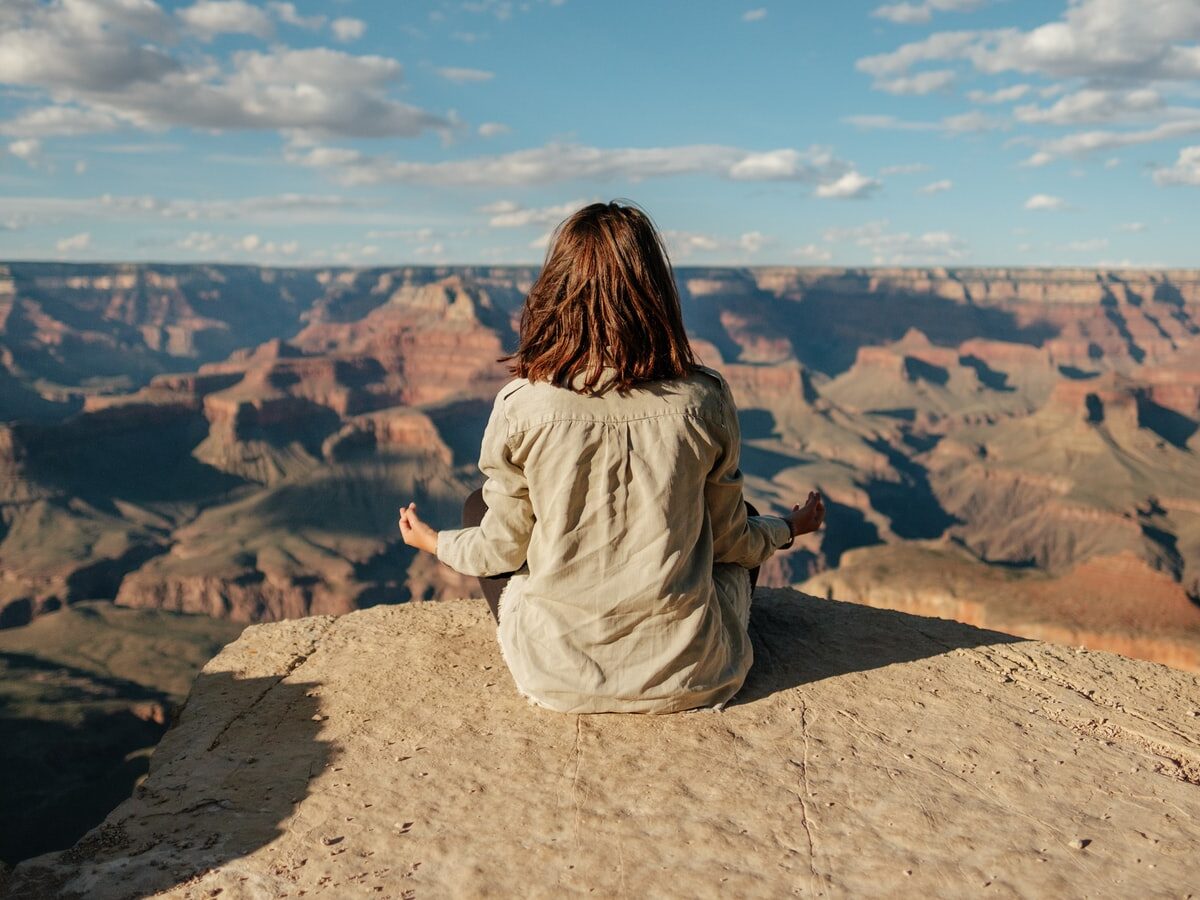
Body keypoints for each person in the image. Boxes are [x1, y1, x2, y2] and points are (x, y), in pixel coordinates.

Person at [399, 201, 825, 714]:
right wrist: (788, 527)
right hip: (696, 676)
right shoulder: (703, 398)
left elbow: (501, 552)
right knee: (746, 516)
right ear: (656, 293)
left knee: (477, 510)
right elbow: (733, 541)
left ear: (555, 292)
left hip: (555, 680)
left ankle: (568, 652)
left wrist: (432, 542)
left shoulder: (522, 404)